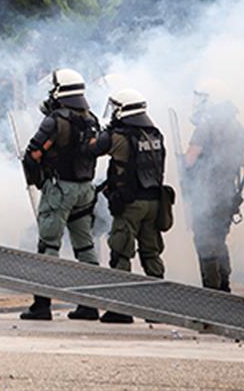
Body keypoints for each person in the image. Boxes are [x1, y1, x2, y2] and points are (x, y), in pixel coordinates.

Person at [18, 68, 102, 321]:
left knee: (48, 245)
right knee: (85, 246)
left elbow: (33, 152)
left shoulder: (55, 120)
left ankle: (42, 305)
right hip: (86, 189)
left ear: (59, 91)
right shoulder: (92, 118)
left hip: (60, 188)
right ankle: (89, 306)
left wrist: (40, 174)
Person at [91, 87, 169, 323]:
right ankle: (157, 309)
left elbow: (91, 149)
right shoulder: (155, 134)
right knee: (151, 253)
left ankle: (121, 308)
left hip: (130, 204)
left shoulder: (118, 136)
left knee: (121, 253)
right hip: (154, 202)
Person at [184, 78, 244, 292]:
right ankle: (224, 286)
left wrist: (184, 168)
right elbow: (242, 159)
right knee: (219, 240)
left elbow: (191, 158)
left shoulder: (207, 124)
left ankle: (211, 290)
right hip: (228, 191)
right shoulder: (236, 124)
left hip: (207, 192)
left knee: (205, 240)